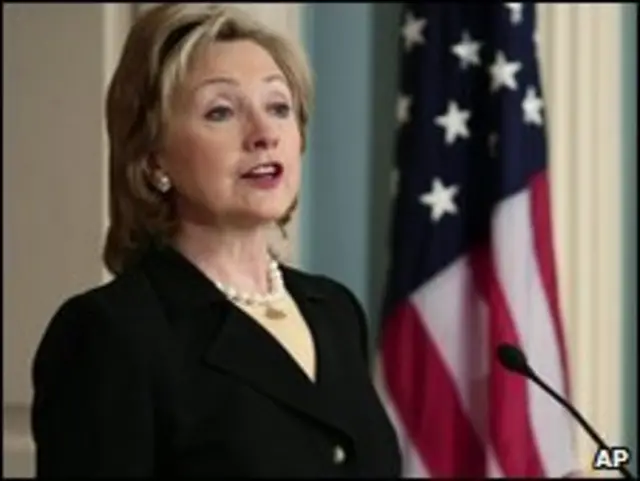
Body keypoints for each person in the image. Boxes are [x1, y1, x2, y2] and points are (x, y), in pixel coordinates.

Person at [30, 3, 401, 478]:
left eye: (278, 107)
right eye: (221, 111)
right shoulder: (110, 333)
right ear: (153, 158)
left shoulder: (334, 310)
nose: (264, 134)